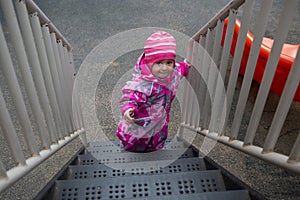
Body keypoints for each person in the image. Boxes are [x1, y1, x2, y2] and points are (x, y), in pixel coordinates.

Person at [116, 31, 191, 152]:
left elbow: (179, 70)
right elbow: (130, 97)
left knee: (157, 141)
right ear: (149, 63)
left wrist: (185, 66)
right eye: (159, 63)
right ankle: (130, 156)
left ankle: (156, 152)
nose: (164, 67)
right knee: (136, 143)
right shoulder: (143, 84)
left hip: (160, 122)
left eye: (168, 62)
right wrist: (129, 109)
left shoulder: (171, 73)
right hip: (141, 123)